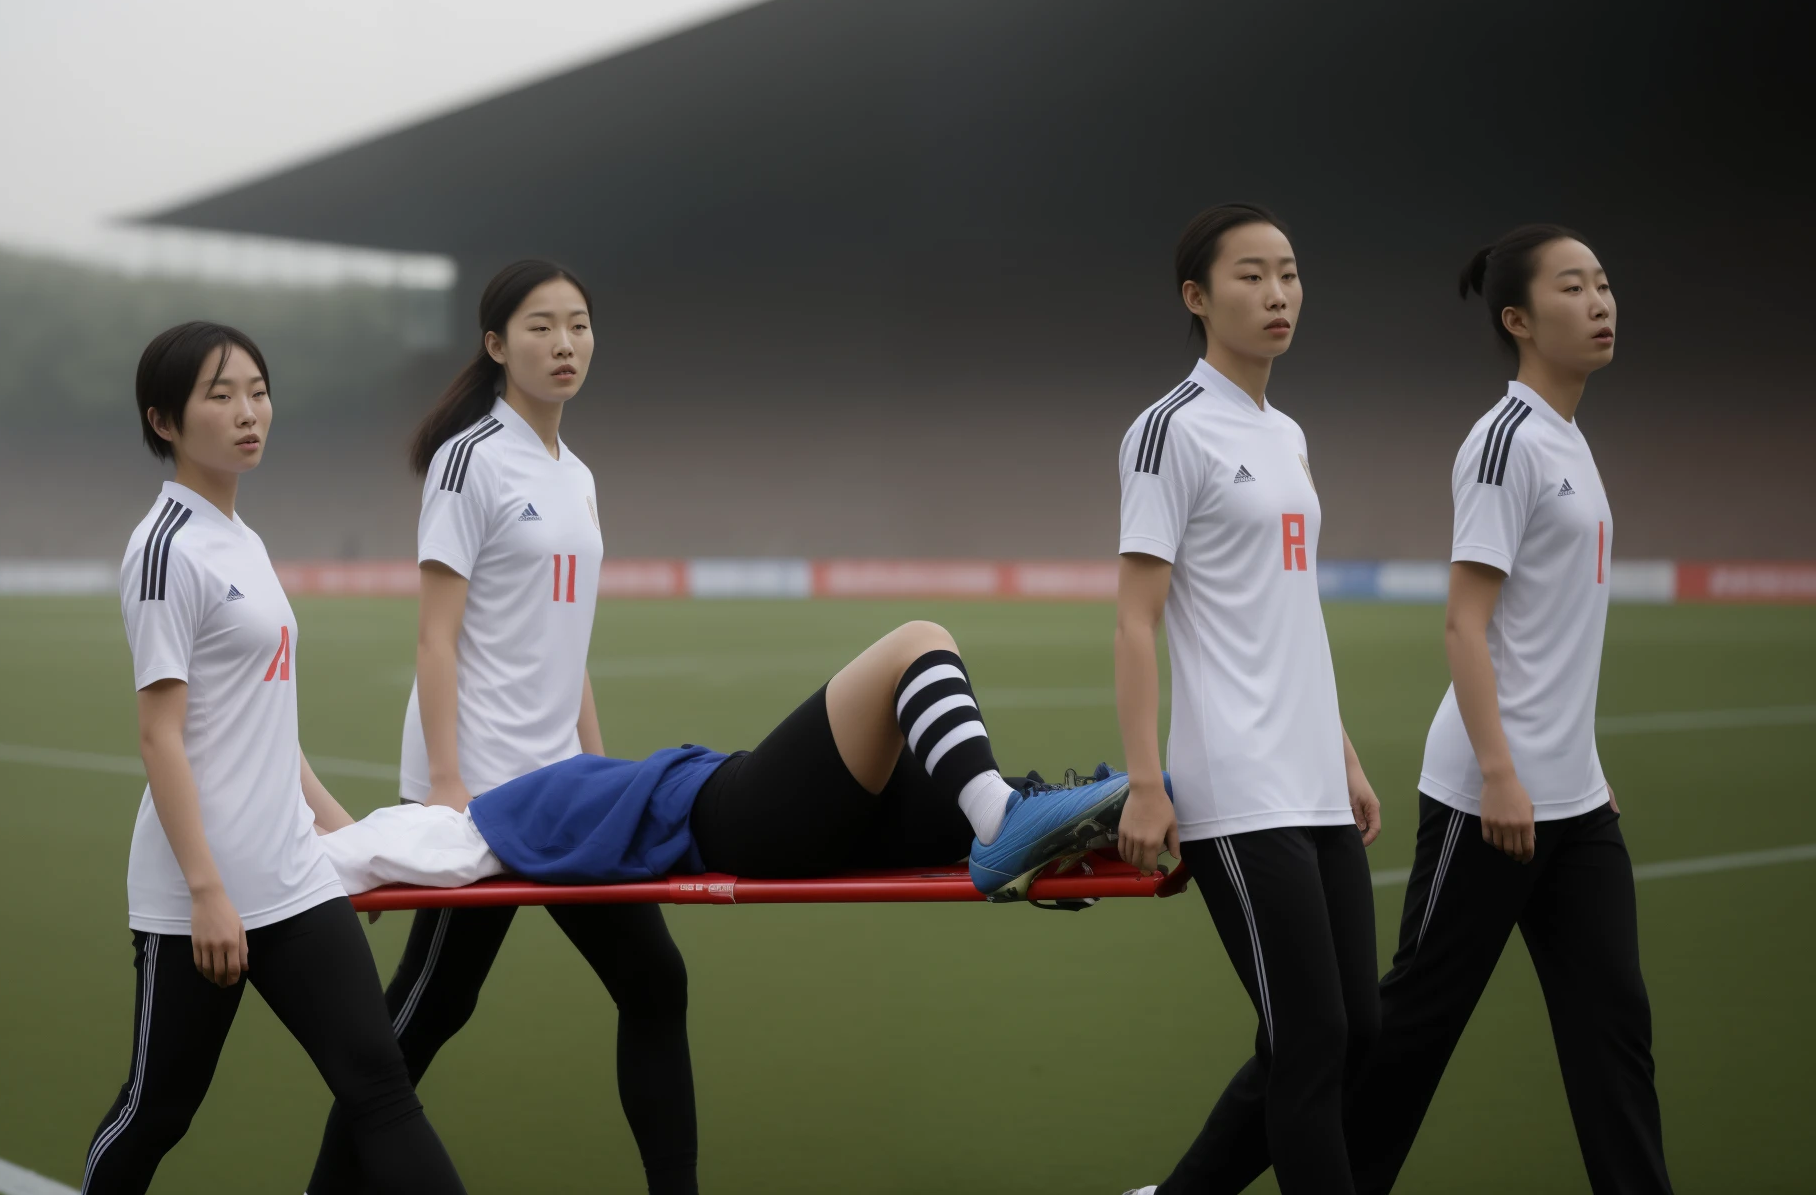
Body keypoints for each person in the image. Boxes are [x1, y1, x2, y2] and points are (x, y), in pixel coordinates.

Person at [307, 258, 703, 1194]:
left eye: (577, 325)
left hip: (562, 788)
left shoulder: (581, 477)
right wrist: (447, 791)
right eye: (539, 327)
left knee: (655, 981)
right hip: (480, 792)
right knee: (421, 1019)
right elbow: (435, 640)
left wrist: (603, 773)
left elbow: (570, 644)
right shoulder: (467, 461)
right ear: (495, 346)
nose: (564, 344)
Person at [82, 322, 464, 1194]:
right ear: (165, 421)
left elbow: (268, 731)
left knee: (380, 1089)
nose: (249, 412)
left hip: (294, 878)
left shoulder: (241, 539)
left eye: (257, 391)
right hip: (199, 896)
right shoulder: (164, 548)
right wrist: (209, 895)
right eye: (220, 396)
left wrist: (350, 841)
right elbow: (160, 735)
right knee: (158, 1112)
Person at [1341, 227, 1674, 1193]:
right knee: (1415, 1029)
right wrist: (1499, 774)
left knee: (1616, 1036)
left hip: (1574, 807)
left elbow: (1554, 640)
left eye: (1606, 283)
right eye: (1575, 288)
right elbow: (1465, 624)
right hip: (1490, 802)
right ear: (1519, 320)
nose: (1602, 302)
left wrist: (1586, 773)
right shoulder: (1503, 443)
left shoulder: (1570, 440)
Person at [1113, 204, 1384, 1195]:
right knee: (1308, 1037)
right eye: (1250, 275)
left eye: (1289, 273)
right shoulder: (1165, 430)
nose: (1277, 294)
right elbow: (1134, 619)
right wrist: (1147, 782)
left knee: (1354, 1030)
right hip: (1234, 780)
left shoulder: (1287, 434)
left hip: (1310, 774)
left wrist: (1343, 753)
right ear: (1196, 297)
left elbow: (1290, 613)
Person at [314, 619, 1142, 901]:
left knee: (936, 780)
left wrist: (351, 852)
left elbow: (383, 849)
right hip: (735, 813)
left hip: (807, 828)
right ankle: (1007, 819)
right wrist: (340, 851)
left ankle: (1057, 818)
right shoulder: (495, 811)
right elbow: (402, 844)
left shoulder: (555, 792)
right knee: (917, 647)